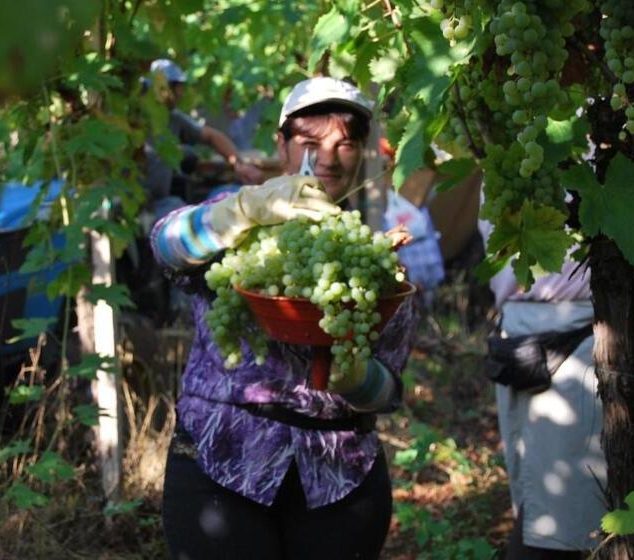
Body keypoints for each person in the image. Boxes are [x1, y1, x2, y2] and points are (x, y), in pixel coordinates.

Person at [151, 76, 417, 559]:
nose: (328, 159)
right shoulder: (235, 217)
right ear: (282, 144)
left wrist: (358, 381)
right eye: (310, 142)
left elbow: (390, 391)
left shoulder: (375, 255)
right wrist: (245, 210)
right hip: (221, 465)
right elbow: (165, 246)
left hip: (340, 477)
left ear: (362, 154)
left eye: (346, 144)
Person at [438, 176, 607, 559]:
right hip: (529, 330)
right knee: (543, 511)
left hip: (576, 328)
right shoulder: (505, 128)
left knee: (558, 524)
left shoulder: (602, 130)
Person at [143, 59, 264, 221]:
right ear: (161, 88)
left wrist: (239, 165)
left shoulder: (172, 117)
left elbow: (211, 136)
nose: (181, 94)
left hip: (159, 202)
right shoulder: (132, 119)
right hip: (134, 204)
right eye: (178, 88)